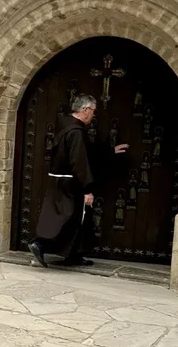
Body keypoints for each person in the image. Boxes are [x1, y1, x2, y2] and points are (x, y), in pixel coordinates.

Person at [28, 93, 128, 268]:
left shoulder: (68, 127)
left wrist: (110, 151)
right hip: (72, 183)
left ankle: (74, 255)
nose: (94, 115)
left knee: (75, 219)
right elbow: (79, 161)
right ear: (85, 110)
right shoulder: (75, 132)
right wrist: (87, 189)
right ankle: (40, 244)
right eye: (93, 111)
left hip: (61, 181)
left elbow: (87, 152)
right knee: (69, 219)